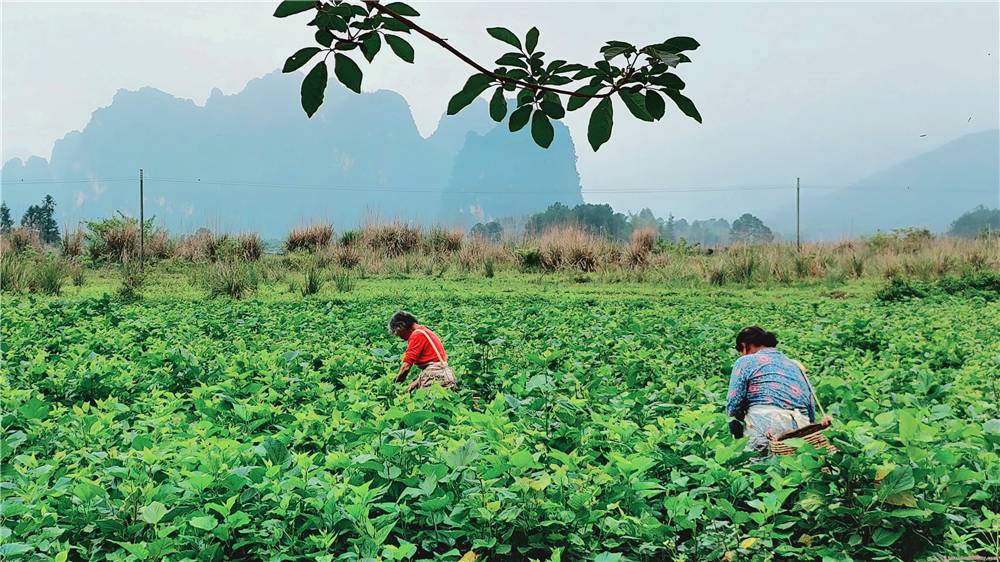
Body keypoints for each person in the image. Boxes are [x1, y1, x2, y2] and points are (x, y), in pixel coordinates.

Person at [726, 326, 818, 453]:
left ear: (745, 346)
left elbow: (734, 402)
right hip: (800, 427)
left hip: (765, 424)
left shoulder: (745, 361)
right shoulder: (794, 365)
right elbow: (811, 407)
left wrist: (736, 436)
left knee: (760, 468)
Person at [387, 310, 457, 392]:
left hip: (436, 379)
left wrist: (394, 386)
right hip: (445, 376)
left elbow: (406, 367)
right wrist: (407, 389)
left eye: (399, 333)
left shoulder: (416, 335)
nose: (401, 338)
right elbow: (431, 369)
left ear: (402, 326)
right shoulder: (426, 332)